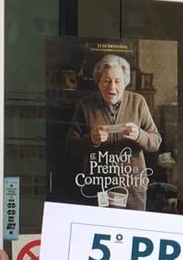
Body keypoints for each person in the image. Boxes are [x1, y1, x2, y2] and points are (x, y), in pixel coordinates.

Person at [66, 53, 161, 211]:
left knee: (131, 226)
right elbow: (71, 147)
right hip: (97, 189)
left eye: (117, 81)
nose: (112, 88)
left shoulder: (138, 102)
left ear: (125, 82)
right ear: (98, 82)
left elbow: (156, 141)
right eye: (106, 81)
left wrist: (139, 135)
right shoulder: (85, 105)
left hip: (133, 190)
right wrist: (90, 139)